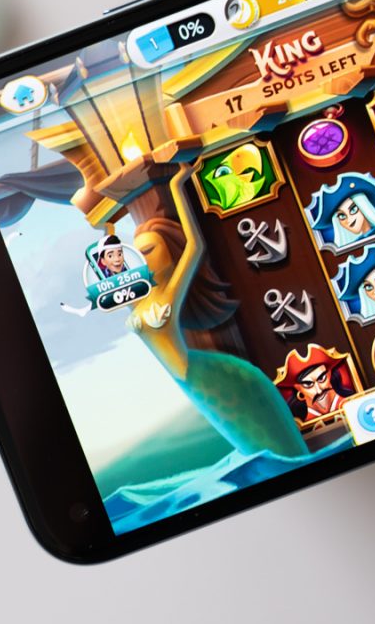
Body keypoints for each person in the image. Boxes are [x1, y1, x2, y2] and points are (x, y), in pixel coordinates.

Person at [131, 165, 310, 459]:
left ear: (169, 253)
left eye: (149, 250)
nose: (143, 261)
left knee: (272, 450)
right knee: (260, 451)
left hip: (210, 375)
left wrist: (177, 185)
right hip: (192, 375)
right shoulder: (139, 296)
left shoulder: (169, 293)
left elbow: (195, 246)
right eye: (137, 255)